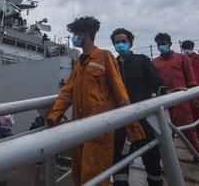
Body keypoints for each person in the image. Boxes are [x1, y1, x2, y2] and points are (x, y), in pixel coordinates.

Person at [47, 16, 145, 186]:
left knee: (95, 176)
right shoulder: (78, 63)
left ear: (84, 34)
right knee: (79, 175)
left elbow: (120, 93)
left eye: (75, 34)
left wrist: (134, 130)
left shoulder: (104, 57)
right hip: (78, 128)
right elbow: (66, 93)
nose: (74, 38)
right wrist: (54, 116)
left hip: (99, 129)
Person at [110, 28, 168, 186]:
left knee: (151, 158)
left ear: (130, 42)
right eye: (117, 42)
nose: (120, 44)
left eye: (123, 41)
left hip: (143, 119)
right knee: (119, 159)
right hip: (120, 121)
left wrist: (164, 90)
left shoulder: (141, 61)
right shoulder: (112, 65)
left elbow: (155, 81)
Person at [152, 33, 199, 164]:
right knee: (166, 133)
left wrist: (195, 97)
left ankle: (197, 153)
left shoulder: (181, 58)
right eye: (158, 44)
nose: (161, 46)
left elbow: (190, 77)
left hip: (181, 101)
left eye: (163, 43)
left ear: (170, 43)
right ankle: (170, 161)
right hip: (163, 101)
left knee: (188, 129)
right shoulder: (155, 62)